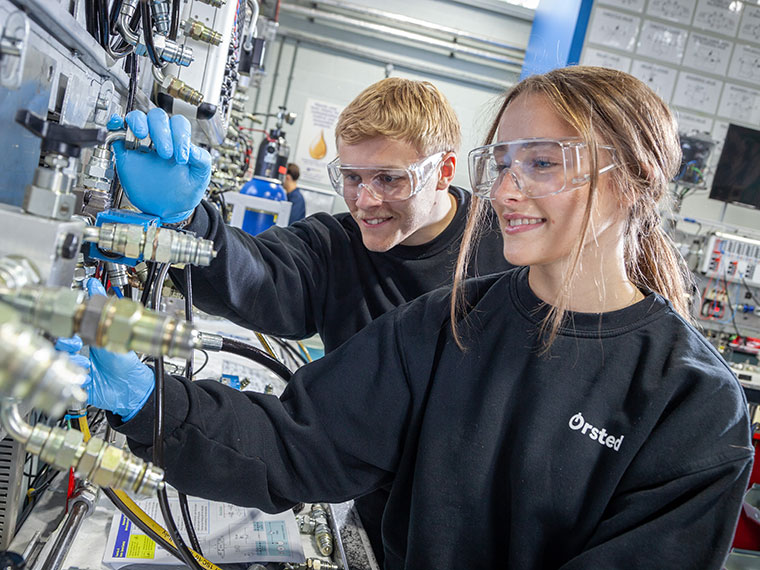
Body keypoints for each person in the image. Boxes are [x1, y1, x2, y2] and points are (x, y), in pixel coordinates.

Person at [87, 66, 752, 569]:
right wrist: (148, 401)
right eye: (506, 162)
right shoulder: (448, 324)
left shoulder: (694, 405)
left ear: (631, 178)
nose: (509, 189)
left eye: (542, 163)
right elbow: (296, 443)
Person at [105, 77, 513, 564]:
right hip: (387, 525)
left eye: (388, 178)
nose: (363, 201)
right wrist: (188, 221)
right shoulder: (337, 246)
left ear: (444, 170)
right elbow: (260, 274)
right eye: (352, 177)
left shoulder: (504, 253)